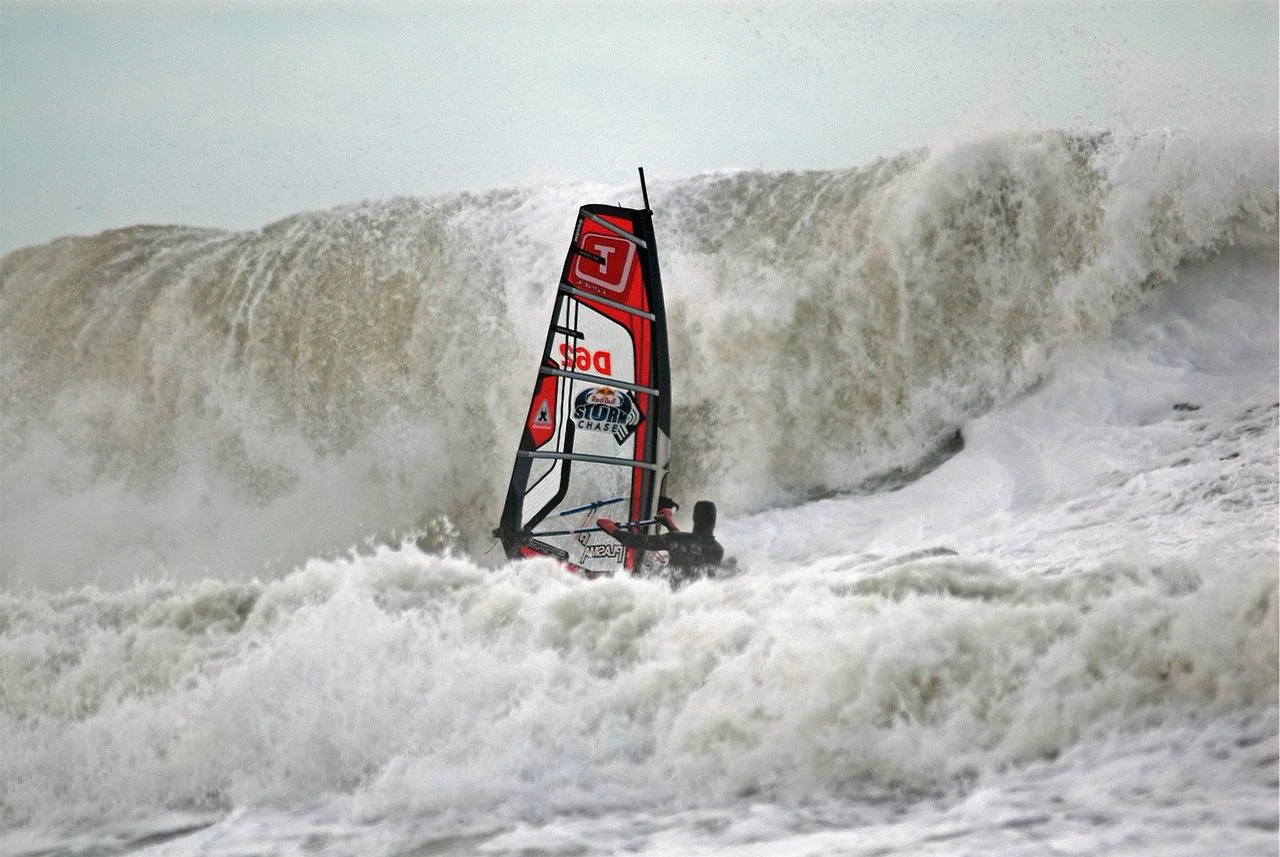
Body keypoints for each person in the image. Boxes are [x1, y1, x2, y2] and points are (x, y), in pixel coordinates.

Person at [597, 499, 724, 588]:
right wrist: (669, 524)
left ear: (694, 519)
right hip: (692, 604)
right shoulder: (718, 550)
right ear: (714, 521)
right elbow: (689, 547)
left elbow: (637, 542)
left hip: (665, 597)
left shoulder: (677, 539)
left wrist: (612, 530)